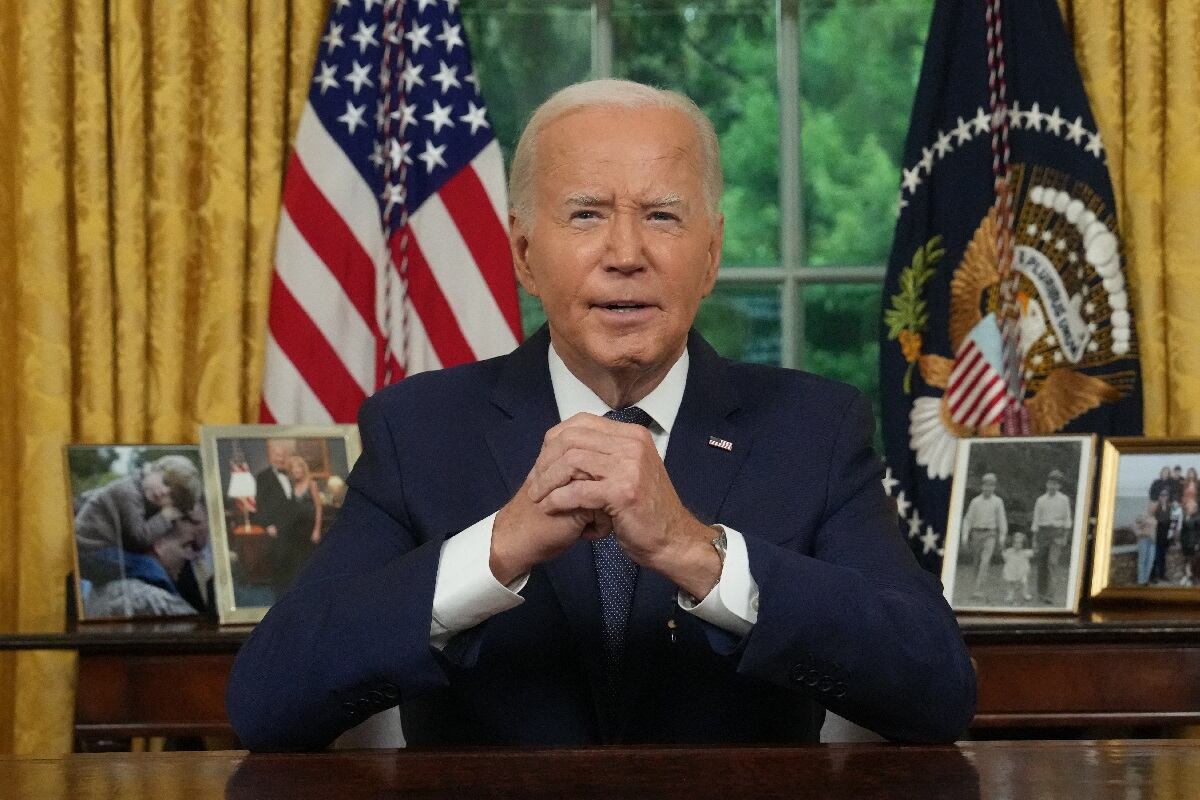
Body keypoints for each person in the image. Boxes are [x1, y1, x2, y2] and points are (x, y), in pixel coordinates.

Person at [226, 79, 976, 751]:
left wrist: (697, 553)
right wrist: (497, 547)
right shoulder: (417, 430)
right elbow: (267, 704)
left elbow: (937, 694)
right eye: (586, 215)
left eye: (661, 216)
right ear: (524, 254)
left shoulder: (814, 429)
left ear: (711, 255)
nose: (626, 253)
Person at [84, 506, 209, 618]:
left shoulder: (99, 589)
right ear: (158, 545)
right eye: (186, 546)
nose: (190, 557)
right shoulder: (158, 604)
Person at [250, 438, 308, 598]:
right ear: (270, 456)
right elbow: (257, 507)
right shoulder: (262, 478)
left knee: (301, 566)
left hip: (297, 530)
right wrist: (268, 525)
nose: (281, 458)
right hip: (278, 531)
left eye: (284, 455)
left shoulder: (295, 474)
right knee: (282, 569)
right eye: (277, 455)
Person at [961, 473, 1007, 600]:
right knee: (977, 562)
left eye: (991, 486)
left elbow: (1001, 520)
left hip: (990, 534)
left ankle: (978, 589)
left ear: (994, 487)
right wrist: (965, 536)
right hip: (976, 533)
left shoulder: (998, 502)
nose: (988, 488)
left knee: (985, 562)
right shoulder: (975, 502)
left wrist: (1002, 536)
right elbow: (968, 520)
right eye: (986, 485)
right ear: (982, 486)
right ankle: (976, 586)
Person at [1030, 469, 1072, 603]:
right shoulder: (1040, 500)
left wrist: (1065, 535)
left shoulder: (1064, 499)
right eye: (1050, 483)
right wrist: (1035, 539)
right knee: (1042, 564)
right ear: (1046, 484)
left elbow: (1067, 519)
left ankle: (1050, 595)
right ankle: (1041, 593)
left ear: (1059, 486)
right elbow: (1036, 520)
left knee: (1052, 563)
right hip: (1043, 533)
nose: (1052, 486)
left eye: (1055, 484)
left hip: (1057, 533)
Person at [1000, 532, 1034, 603]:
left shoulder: (1025, 552)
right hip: (1012, 570)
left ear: (1023, 544)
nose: (1017, 545)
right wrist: (1002, 546)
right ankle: (1010, 595)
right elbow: (1004, 556)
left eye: (1020, 543)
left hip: (1022, 570)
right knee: (1011, 583)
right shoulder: (1009, 551)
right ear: (1012, 543)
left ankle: (1025, 594)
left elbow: (1032, 553)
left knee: (1024, 582)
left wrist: (1034, 545)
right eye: (1015, 543)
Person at [1133, 507, 1157, 586]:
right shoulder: (1142, 516)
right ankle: (1141, 581)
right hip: (1143, 540)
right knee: (1142, 560)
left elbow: (1154, 529)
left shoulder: (1154, 518)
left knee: (1150, 561)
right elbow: (1136, 526)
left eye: (1154, 508)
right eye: (1151, 507)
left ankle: (1146, 580)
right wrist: (1141, 533)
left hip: (1152, 541)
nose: (1153, 509)